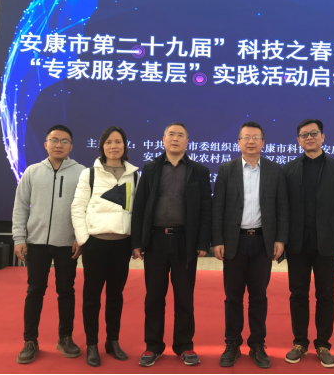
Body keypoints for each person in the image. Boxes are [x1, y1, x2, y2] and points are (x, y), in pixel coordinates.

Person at [131, 123, 212, 368]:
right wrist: (137, 241)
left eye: (180, 135)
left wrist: (203, 242)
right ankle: (153, 346)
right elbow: (140, 206)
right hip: (155, 240)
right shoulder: (151, 168)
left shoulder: (199, 170)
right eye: (171, 135)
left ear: (187, 141)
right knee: (154, 296)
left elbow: (205, 209)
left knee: (184, 297)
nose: (175, 139)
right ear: (163, 139)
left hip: (184, 241)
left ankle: (184, 345)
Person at [213, 121, 289, 370]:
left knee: (258, 297)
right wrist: (218, 240)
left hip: (262, 243)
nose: (251, 141)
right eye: (246, 137)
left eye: (256, 137)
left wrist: (280, 239)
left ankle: (257, 344)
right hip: (234, 242)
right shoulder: (227, 170)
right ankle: (232, 344)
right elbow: (218, 207)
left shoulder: (274, 170)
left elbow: (282, 207)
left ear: (263, 143)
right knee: (233, 297)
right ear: (238, 142)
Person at [12, 125, 85, 364]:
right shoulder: (32, 172)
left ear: (71, 146)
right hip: (36, 243)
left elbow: (86, 208)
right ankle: (30, 340)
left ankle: (65, 337)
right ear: (46, 144)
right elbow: (20, 206)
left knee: (66, 291)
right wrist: (19, 238)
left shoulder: (82, 173)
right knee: (35, 291)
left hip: (67, 244)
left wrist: (80, 237)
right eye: (54, 140)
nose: (58, 145)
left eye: (64, 141)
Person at [283, 119, 334, 368]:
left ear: (323, 137)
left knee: (326, 295)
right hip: (297, 244)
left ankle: (323, 344)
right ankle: (300, 342)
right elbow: (282, 208)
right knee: (298, 294)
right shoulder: (288, 169)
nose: (309, 137)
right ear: (298, 140)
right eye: (304, 135)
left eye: (314, 133)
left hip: (328, 244)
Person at [71, 127, 139, 367]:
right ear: (102, 146)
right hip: (95, 245)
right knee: (92, 297)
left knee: (115, 297)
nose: (114, 146)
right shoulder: (89, 174)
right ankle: (92, 344)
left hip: (121, 246)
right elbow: (77, 208)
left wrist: (135, 243)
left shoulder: (135, 175)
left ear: (125, 146)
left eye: (118, 141)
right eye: (109, 142)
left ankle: (112, 341)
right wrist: (84, 239)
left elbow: (137, 213)